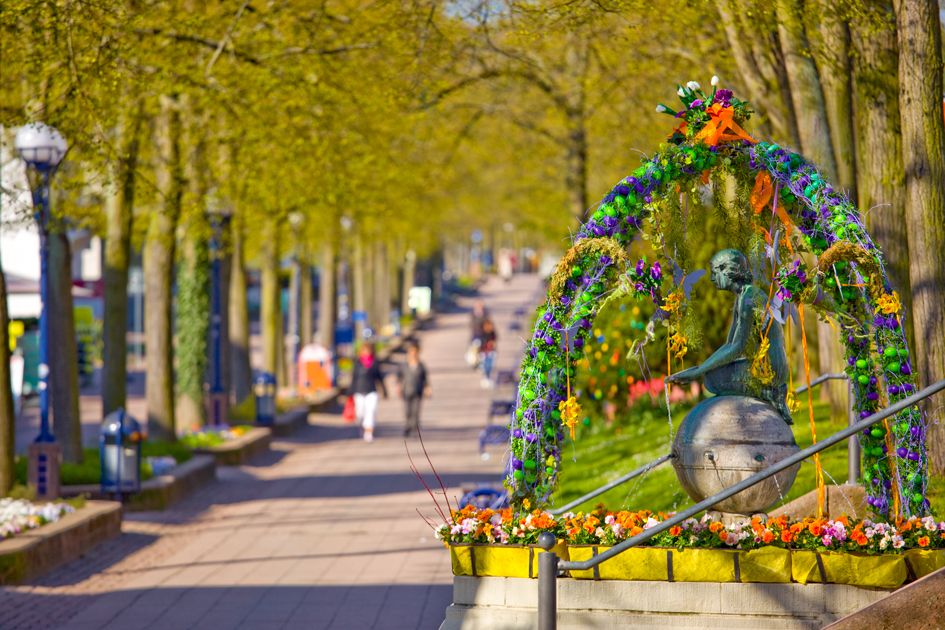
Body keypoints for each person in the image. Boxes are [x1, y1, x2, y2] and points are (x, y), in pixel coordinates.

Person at [666, 248, 791, 423]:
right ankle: (768, 393)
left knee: (713, 379)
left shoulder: (749, 298)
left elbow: (737, 348)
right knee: (710, 375)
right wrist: (700, 368)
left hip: (771, 369)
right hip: (765, 365)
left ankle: (769, 393)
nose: (711, 278)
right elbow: (729, 344)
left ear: (730, 271)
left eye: (715, 272)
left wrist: (699, 372)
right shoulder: (742, 296)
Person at [349, 342, 388, 441]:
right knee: (360, 413)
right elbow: (354, 378)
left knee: (370, 411)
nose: (366, 352)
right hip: (359, 391)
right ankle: (363, 426)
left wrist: (384, 390)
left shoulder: (375, 363)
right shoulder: (357, 363)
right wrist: (350, 392)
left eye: (368, 350)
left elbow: (379, 377)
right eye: (364, 350)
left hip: (371, 391)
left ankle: (368, 432)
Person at [398, 341, 430, 437]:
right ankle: (408, 426)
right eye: (411, 351)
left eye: (414, 351)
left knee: (416, 410)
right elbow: (399, 377)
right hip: (407, 391)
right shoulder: (404, 365)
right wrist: (399, 387)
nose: (412, 354)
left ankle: (415, 427)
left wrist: (427, 388)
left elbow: (425, 378)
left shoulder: (421, 365)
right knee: (407, 411)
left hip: (418, 390)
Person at [467, 300, 489, 368]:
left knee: (482, 353)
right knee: (474, 350)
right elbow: (472, 325)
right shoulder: (473, 315)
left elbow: (488, 326)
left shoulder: (485, 315)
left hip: (484, 337)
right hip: (476, 336)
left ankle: (480, 364)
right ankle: (475, 363)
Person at [479, 318, 497, 388]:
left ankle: (489, 379)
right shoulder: (482, 332)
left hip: (491, 351)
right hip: (484, 351)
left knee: (490, 366)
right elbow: (481, 341)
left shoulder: (492, 332)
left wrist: (492, 343)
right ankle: (485, 379)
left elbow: (495, 339)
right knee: (485, 366)